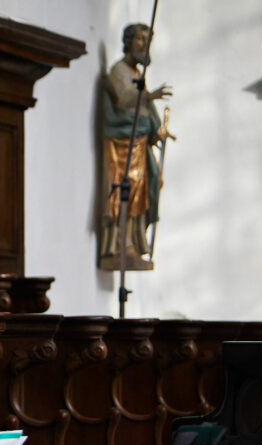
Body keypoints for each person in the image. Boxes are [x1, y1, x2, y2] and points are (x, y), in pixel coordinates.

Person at [100, 23, 172, 268]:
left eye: (147, 40)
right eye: (140, 39)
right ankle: (122, 244)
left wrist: (156, 131)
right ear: (129, 41)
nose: (144, 44)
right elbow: (121, 101)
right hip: (123, 146)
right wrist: (148, 96)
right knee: (127, 193)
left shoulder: (137, 75)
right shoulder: (119, 71)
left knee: (147, 188)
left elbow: (145, 112)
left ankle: (134, 243)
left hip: (140, 145)